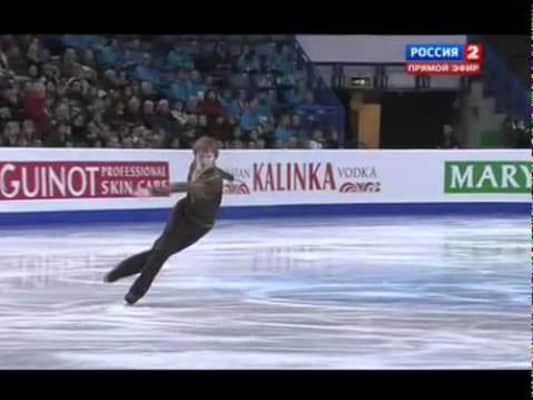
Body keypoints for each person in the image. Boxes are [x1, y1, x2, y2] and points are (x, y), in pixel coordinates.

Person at [104, 136, 234, 305]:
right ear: (195, 155)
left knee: (158, 253)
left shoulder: (213, 180)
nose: (204, 160)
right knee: (160, 253)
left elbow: (186, 187)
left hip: (199, 226)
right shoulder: (195, 165)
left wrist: (154, 191)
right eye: (201, 156)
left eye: (208, 156)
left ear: (214, 157)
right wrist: (230, 176)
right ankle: (135, 292)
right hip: (182, 213)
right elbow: (215, 171)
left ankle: (120, 271)